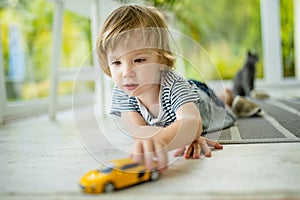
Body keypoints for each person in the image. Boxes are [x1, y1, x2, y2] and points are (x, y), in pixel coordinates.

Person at [96, 4, 260, 171]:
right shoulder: (124, 91)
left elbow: (192, 122)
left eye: (139, 60)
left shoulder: (174, 84)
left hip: (201, 99)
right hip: (184, 95)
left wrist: (184, 135)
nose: (126, 73)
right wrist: (178, 137)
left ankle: (228, 95)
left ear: (161, 60)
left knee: (219, 101)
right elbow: (139, 133)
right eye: (116, 62)